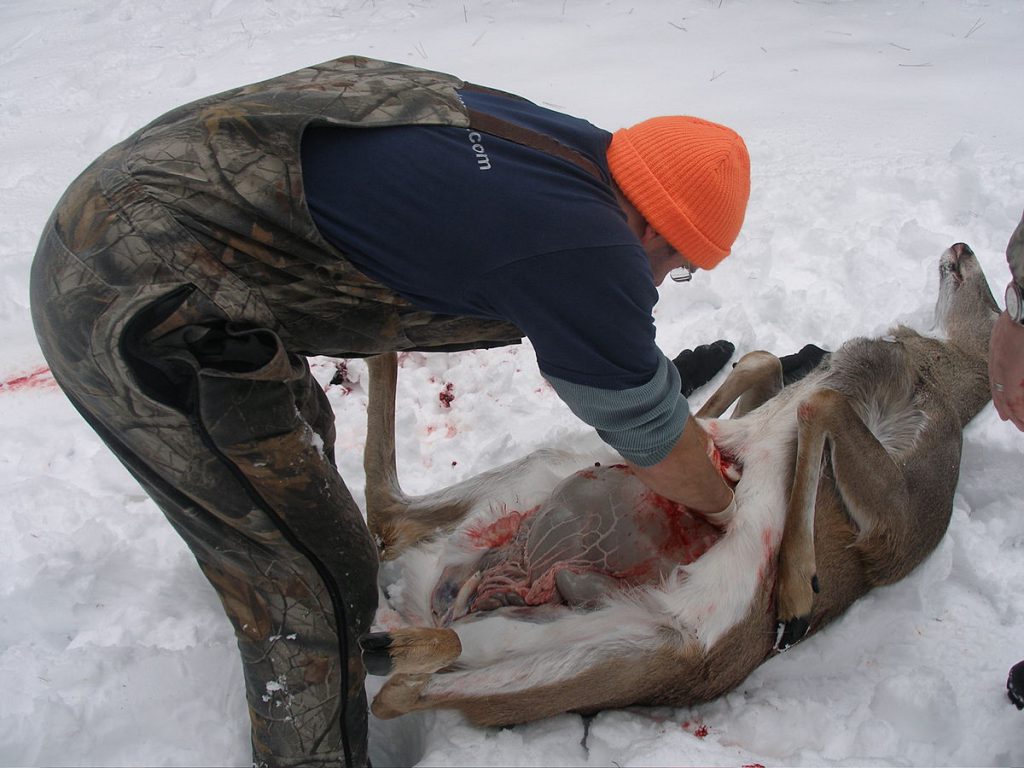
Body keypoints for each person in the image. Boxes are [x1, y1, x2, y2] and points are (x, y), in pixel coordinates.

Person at [29, 56, 750, 767]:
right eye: (678, 263)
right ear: (658, 228)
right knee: (315, 579)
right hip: (133, 292)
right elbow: (651, 434)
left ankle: (259, 551)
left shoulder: (562, 150)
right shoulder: (583, 240)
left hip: (151, 208)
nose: (663, 279)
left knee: (298, 442)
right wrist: (728, 511)